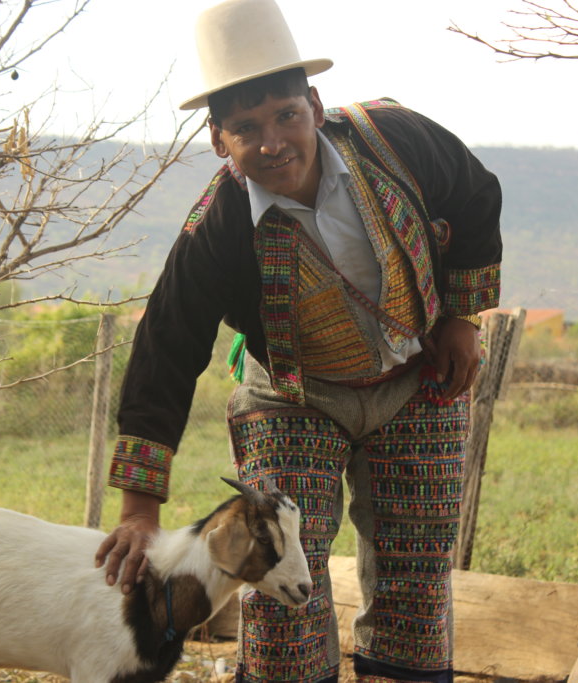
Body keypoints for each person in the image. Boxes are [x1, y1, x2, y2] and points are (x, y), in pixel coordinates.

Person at [95, 0, 502, 681]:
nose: (273, 141)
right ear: (219, 141)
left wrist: (461, 318)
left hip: (416, 381)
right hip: (293, 396)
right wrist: (140, 509)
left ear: (315, 104)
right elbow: (168, 346)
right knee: (280, 564)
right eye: (246, 128)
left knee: (418, 575)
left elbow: (475, 193)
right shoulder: (217, 229)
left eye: (286, 114)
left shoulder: (396, 140)